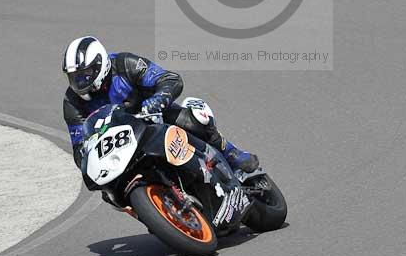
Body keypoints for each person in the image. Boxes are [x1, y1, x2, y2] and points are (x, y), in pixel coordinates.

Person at [62, 35, 259, 173]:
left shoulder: (125, 64)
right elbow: (79, 147)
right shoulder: (72, 102)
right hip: (120, 146)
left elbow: (170, 79)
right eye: (74, 77)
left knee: (193, 120)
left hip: (154, 118)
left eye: (84, 74)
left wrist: (156, 101)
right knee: (107, 190)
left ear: (99, 65)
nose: (79, 82)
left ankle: (231, 153)